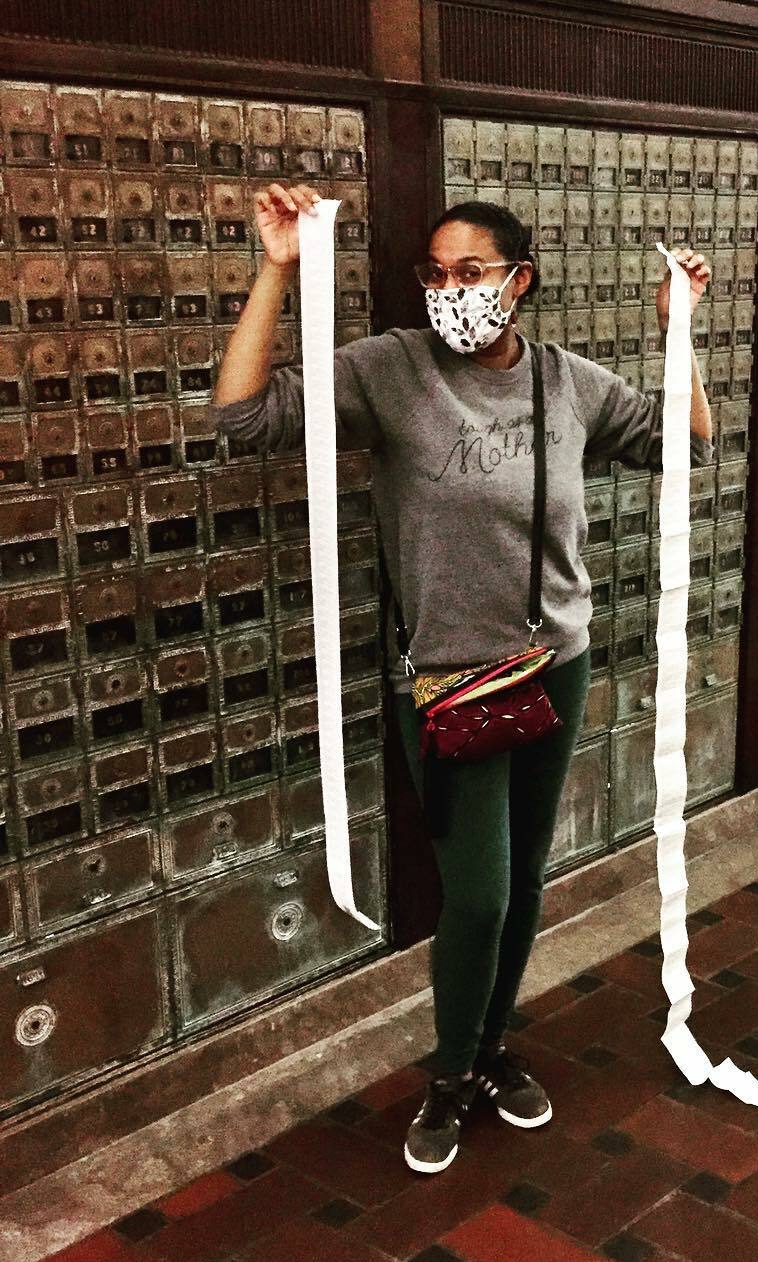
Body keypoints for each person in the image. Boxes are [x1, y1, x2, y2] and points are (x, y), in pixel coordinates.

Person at [213, 183, 713, 1174]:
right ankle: (449, 1074)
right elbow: (243, 419)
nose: (451, 291)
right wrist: (276, 268)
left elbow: (686, 446)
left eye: (471, 272)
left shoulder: (568, 385)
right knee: (476, 894)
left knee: (525, 878)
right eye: (435, 273)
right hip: (443, 681)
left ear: (519, 283)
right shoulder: (392, 372)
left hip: (551, 664)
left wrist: (682, 333)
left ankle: (488, 1051)